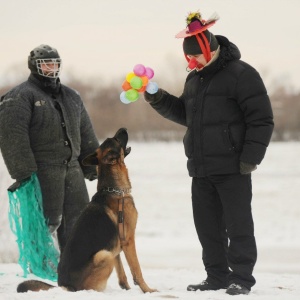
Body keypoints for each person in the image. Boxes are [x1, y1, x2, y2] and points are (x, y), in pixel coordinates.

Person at [144, 11, 274, 296]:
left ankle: (241, 278)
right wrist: (157, 97)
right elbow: (185, 114)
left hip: (233, 167)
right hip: (201, 168)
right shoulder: (195, 79)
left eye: (197, 57)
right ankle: (216, 276)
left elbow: (262, 119)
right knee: (208, 228)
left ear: (210, 49)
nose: (193, 63)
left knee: (238, 225)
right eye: (189, 58)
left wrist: (251, 157)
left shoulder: (242, 74)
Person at [0, 44, 99, 253]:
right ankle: (42, 268)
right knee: (46, 221)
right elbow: (12, 136)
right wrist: (24, 173)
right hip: (43, 170)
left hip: (72, 169)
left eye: (54, 63)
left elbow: (86, 133)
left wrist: (93, 166)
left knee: (79, 221)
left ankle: (75, 267)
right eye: (46, 64)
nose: (51, 68)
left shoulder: (72, 97)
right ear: (34, 66)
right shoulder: (19, 96)